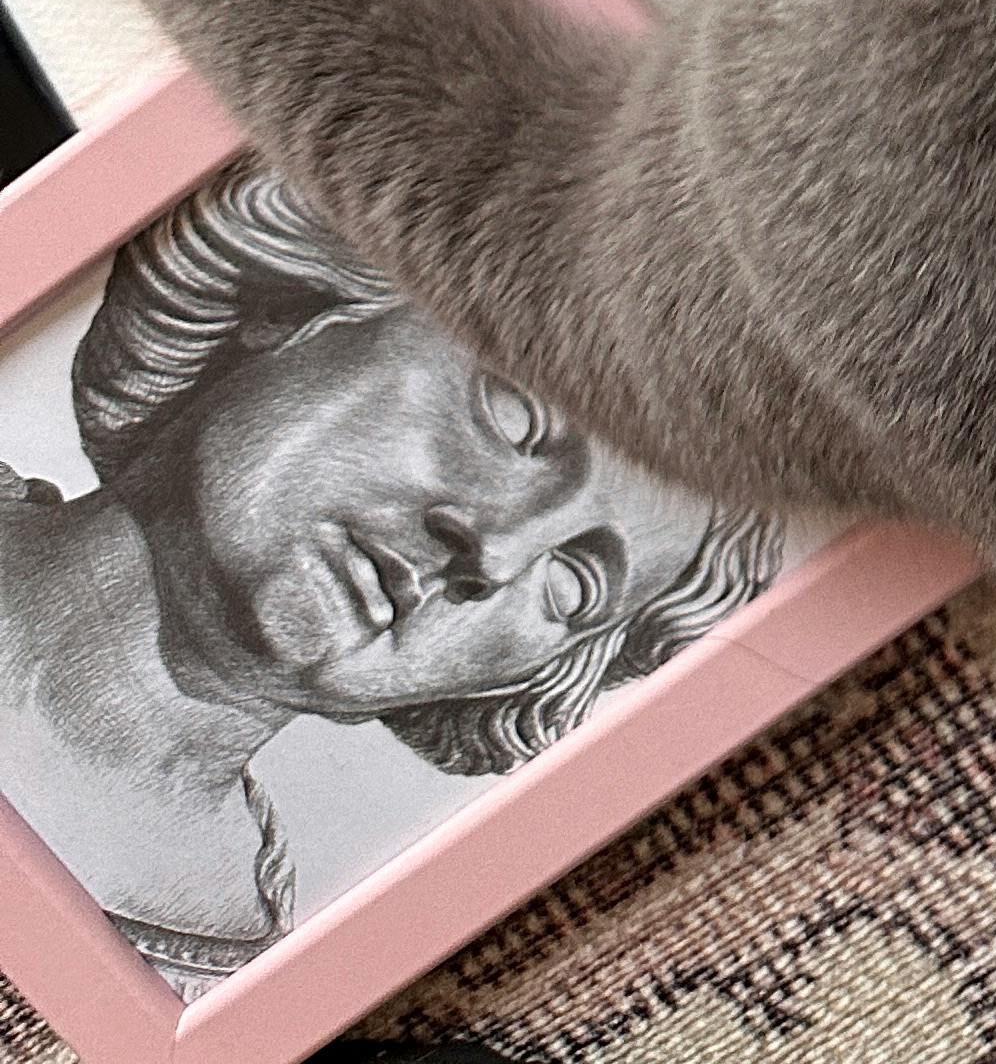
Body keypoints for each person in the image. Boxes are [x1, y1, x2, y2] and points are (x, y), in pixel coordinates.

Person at [0, 158, 778, 987]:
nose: (496, 553)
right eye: (514, 417)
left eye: (574, 587)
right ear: (293, 306)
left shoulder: (231, 992)